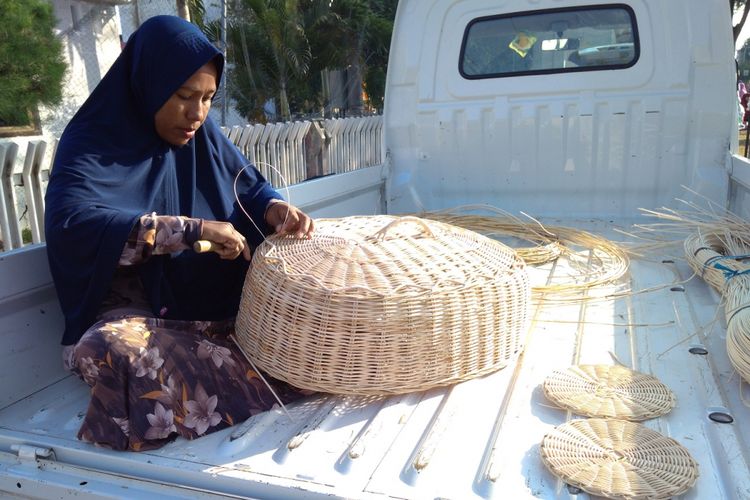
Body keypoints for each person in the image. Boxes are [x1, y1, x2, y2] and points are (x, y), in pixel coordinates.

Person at [44, 15, 314, 451]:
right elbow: (74, 226)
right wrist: (186, 231)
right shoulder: (90, 141)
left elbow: (246, 186)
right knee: (112, 349)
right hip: (135, 319)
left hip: (211, 316)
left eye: (208, 97)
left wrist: (273, 208)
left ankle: (244, 373)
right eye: (184, 96)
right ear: (148, 85)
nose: (197, 113)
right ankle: (267, 376)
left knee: (301, 316)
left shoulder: (200, 135)